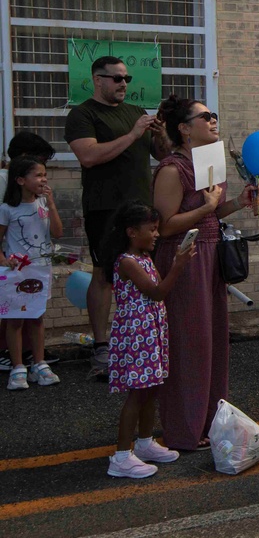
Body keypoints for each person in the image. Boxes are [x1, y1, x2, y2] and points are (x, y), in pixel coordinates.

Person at [152, 95, 255, 450]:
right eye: (205, 116)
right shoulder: (171, 168)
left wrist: (236, 203)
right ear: (184, 128)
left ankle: (208, 423)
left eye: (214, 115)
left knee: (212, 343)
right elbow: (164, 227)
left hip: (210, 257)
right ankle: (183, 429)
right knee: (188, 344)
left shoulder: (210, 160)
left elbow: (210, 213)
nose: (213, 121)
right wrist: (209, 207)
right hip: (184, 258)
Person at [65, 56, 170, 376]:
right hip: (105, 208)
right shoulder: (82, 114)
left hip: (142, 207)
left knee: (148, 270)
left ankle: (145, 339)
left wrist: (162, 134)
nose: (124, 84)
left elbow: (162, 155)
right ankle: (101, 347)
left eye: (127, 78)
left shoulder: (136, 112)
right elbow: (89, 156)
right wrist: (133, 133)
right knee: (104, 274)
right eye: (117, 79)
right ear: (98, 80)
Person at [101, 201, 195, 479]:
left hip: (150, 331)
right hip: (137, 334)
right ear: (131, 231)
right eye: (151, 229)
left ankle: (144, 443)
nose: (156, 234)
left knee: (151, 387)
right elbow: (156, 292)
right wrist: (177, 266)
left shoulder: (143, 257)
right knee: (138, 392)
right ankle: (120, 456)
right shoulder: (127, 262)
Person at [1, 156, 63, 390]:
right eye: (37, 175)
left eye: (44, 174)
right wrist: (5, 261)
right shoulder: (7, 209)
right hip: (16, 272)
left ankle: (39, 363)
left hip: (40, 269)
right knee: (14, 319)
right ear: (19, 180)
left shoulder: (44, 205)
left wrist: (52, 205)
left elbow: (57, 233)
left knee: (37, 316)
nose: (43, 179)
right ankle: (18, 367)